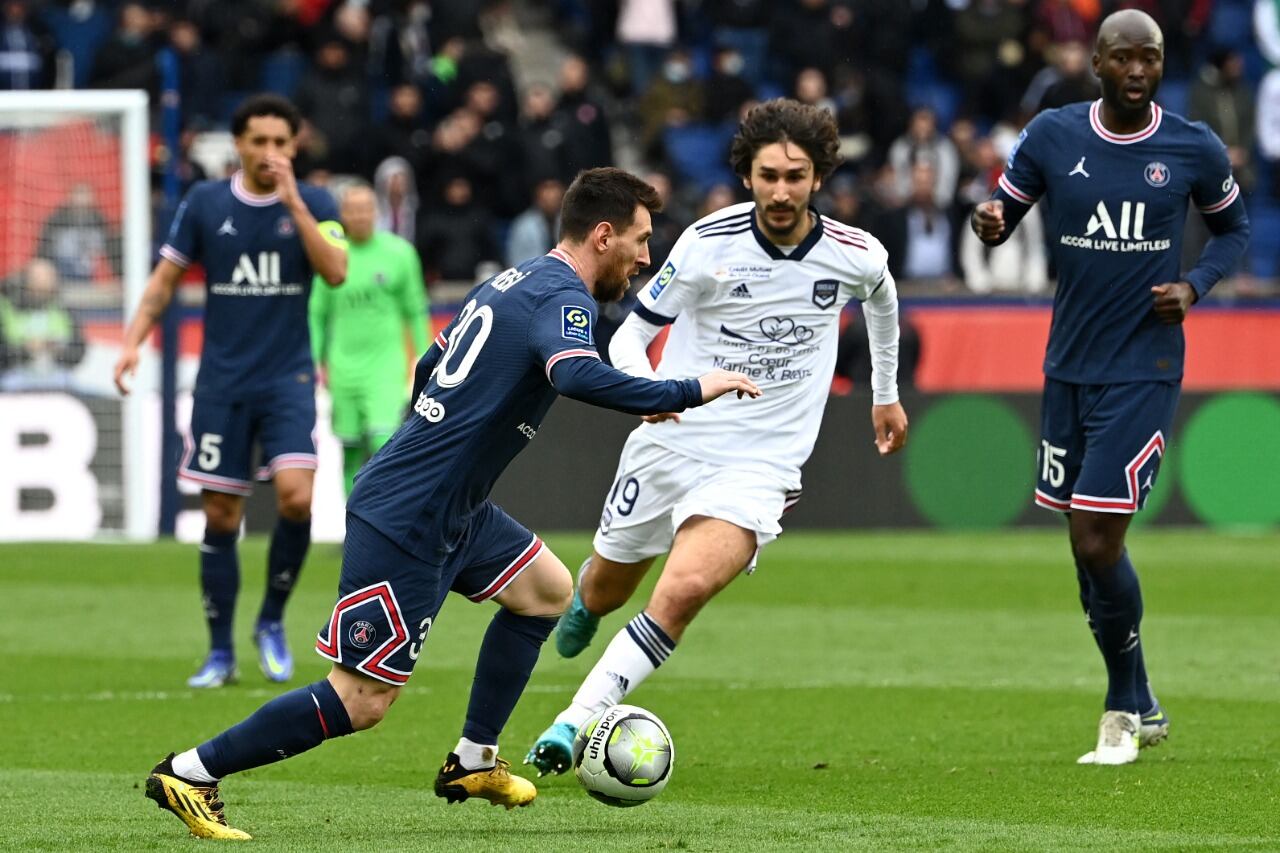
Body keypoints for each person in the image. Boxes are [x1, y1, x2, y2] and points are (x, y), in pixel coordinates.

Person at [141, 167, 762, 840]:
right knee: (362, 700)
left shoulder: (512, 278)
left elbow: (428, 368)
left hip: (449, 505)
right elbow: (573, 372)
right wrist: (686, 389)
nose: (647, 257)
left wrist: (436, 438)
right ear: (603, 235)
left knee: (548, 591)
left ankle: (472, 760)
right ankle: (192, 770)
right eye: (640, 241)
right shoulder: (565, 297)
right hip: (410, 514)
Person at [526, 99, 908, 774]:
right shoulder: (707, 243)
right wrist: (647, 393)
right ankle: (587, 598)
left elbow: (882, 299)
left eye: (795, 175)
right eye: (768, 176)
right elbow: (632, 334)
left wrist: (885, 394)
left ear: (818, 176)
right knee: (610, 588)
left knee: (683, 590)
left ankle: (571, 723)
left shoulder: (856, 253)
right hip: (676, 438)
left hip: (762, 463)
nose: (781, 190)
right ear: (748, 175)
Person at [971, 10, 1249, 765]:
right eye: (1123, 58)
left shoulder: (1191, 145)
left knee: (1098, 536)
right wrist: (990, 221)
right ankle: (1145, 693)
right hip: (1067, 365)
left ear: (1162, 65)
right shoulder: (1054, 135)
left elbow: (1235, 231)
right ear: (1096, 62)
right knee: (1082, 545)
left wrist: (1194, 286)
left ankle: (1121, 707)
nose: (1137, 71)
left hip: (1144, 366)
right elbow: (1005, 208)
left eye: (1150, 59)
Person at [114, 94, 349, 688]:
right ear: (238, 144)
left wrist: (293, 200)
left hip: (288, 378)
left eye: (280, 142)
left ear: (294, 146)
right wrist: (132, 341)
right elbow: (165, 279)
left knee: (297, 498)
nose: (269, 152)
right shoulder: (205, 202)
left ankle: (270, 621)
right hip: (221, 382)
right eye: (258, 141)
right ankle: (219, 651)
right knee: (221, 515)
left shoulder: (317, 202)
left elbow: (336, 270)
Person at [310, 181, 428, 499]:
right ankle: (354, 530)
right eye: (353, 210)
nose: (360, 216)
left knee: (382, 443)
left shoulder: (400, 254)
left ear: (375, 212)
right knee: (349, 451)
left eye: (366, 209)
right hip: (343, 366)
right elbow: (317, 313)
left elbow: (415, 309)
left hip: (385, 365)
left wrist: (424, 354)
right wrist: (316, 360)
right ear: (343, 215)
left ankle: (382, 526)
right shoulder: (332, 256)